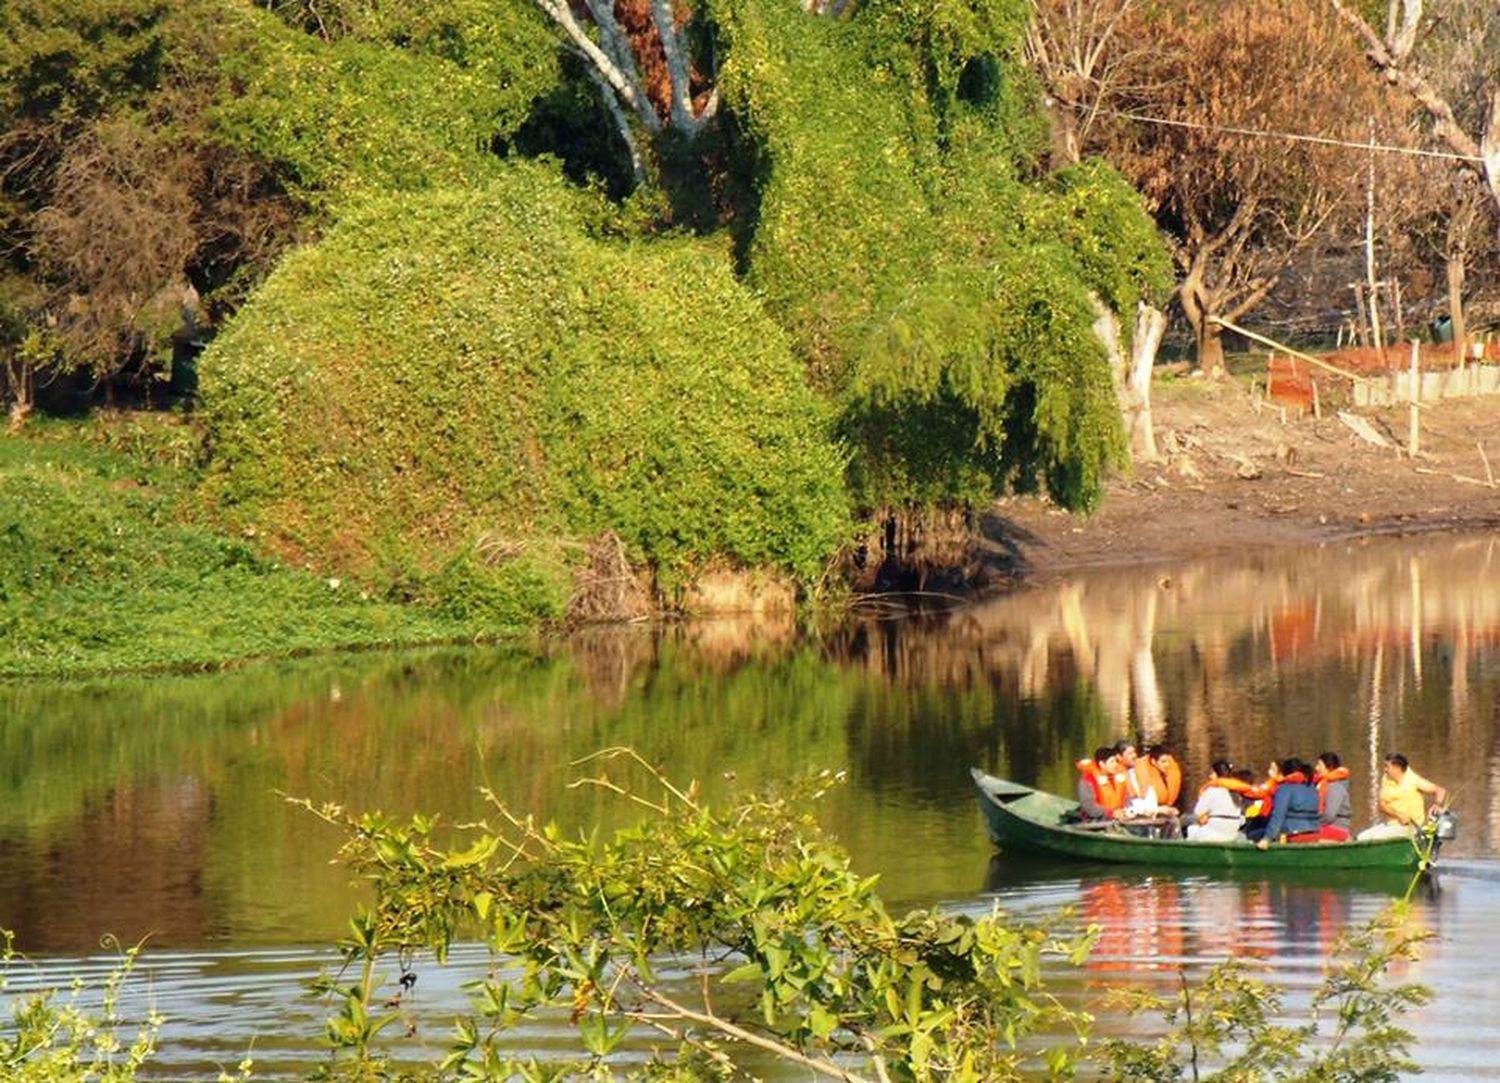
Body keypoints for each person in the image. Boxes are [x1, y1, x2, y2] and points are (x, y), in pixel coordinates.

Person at [1357, 753, 1448, 840]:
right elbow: (1381, 805)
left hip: (1410, 827)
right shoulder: (1386, 779)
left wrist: (1437, 805)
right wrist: (1398, 815)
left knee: (1372, 838)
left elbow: (1439, 790)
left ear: (1397, 768)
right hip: (1392, 824)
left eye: (1387, 766)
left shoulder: (1413, 780)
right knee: (1361, 837)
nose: (1385, 770)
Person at [1256, 758, 1321, 848]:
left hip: (1293, 834)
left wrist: (1267, 838)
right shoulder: (1311, 787)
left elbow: (1278, 815)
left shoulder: (1285, 788)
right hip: (1314, 832)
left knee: (1253, 834)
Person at [1185, 760, 1245, 841]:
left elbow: (1198, 811)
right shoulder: (1236, 793)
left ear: (1217, 774)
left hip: (1214, 834)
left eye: (1212, 773)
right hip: (1232, 834)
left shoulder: (1212, 790)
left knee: (1191, 829)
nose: (1210, 776)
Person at [1076, 747, 1125, 821]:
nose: (1116, 764)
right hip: (1095, 821)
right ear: (1102, 764)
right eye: (1112, 762)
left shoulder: (1118, 778)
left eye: (1116, 761)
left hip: (1119, 819)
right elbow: (1089, 806)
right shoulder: (1087, 781)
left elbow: (1127, 799)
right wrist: (1111, 813)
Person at [1314, 751, 1351, 841]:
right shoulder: (1322, 784)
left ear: (1329, 766)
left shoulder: (1335, 787)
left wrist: (1313, 824)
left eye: (1319, 765)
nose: (1316, 768)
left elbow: (1329, 816)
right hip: (1328, 825)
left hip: (1337, 827)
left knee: (1308, 833)